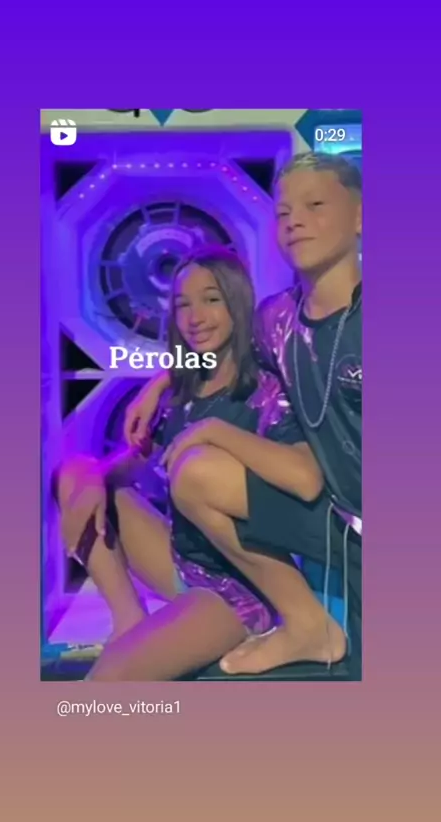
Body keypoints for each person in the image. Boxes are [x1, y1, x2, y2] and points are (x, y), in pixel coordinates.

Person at [124, 152, 362, 679]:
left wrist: (210, 428)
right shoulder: (276, 319)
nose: (294, 221)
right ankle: (305, 625)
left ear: (361, 216)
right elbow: (216, 342)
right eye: (284, 212)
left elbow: (304, 475)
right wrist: (159, 383)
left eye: (315, 205)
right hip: (334, 524)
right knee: (193, 474)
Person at [53, 246, 325, 681]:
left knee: (109, 682)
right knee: (75, 473)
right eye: (182, 304)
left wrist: (214, 431)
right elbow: (131, 463)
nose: (195, 317)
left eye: (211, 299)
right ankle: (128, 621)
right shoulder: (182, 390)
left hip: (238, 589)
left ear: (237, 301)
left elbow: (305, 478)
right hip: (181, 563)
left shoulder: (267, 390)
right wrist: (90, 480)